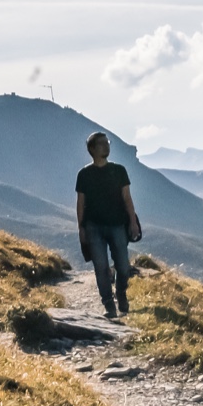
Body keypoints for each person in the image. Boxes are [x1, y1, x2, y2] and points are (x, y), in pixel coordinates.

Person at [74, 131, 142, 318]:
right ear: (92, 149)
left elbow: (127, 198)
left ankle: (121, 293)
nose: (107, 146)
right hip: (93, 227)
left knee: (122, 265)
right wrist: (81, 228)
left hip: (117, 225)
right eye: (102, 143)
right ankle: (108, 305)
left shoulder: (119, 171)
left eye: (108, 142)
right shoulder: (84, 174)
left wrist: (133, 222)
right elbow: (80, 203)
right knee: (101, 267)